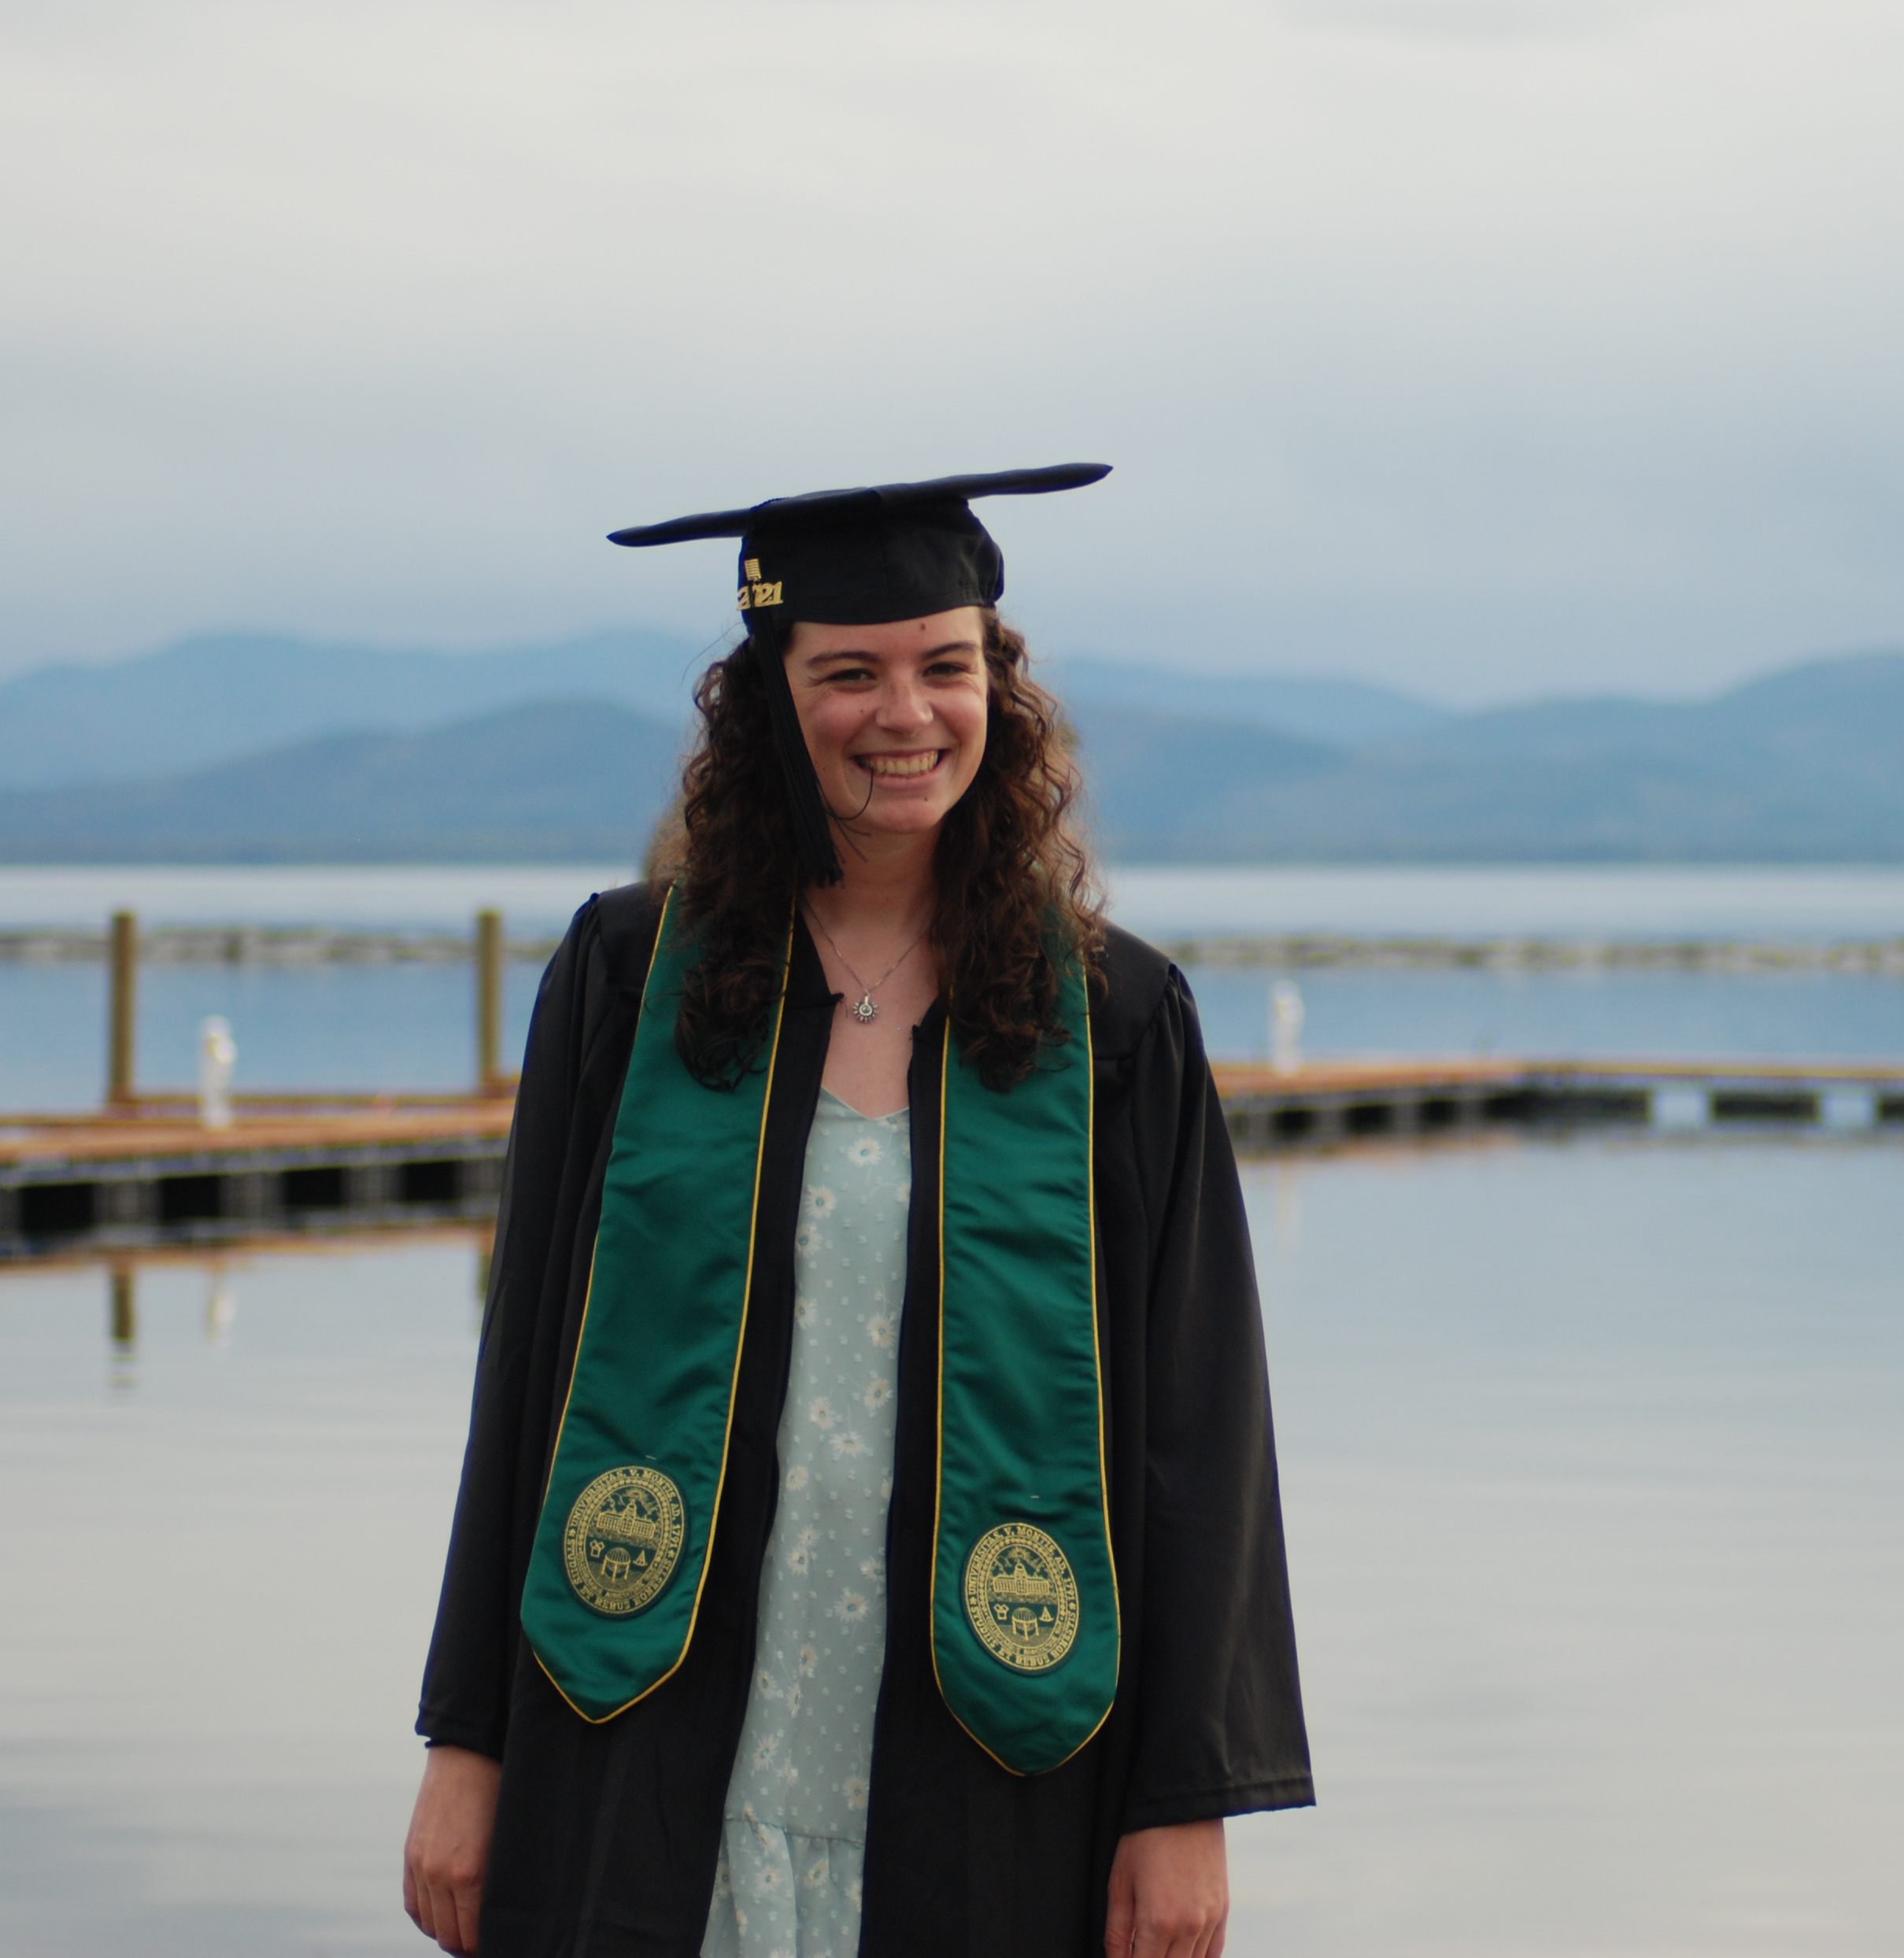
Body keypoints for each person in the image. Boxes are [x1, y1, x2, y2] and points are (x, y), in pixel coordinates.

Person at [401, 468, 1311, 1958]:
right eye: (848, 674)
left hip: (995, 1753)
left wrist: (1187, 1800)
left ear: (996, 692)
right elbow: (529, 1384)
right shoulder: (635, 981)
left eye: (945, 667)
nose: (905, 714)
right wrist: (467, 1739)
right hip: (646, 1723)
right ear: (769, 698)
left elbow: (1201, 1437)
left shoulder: (1113, 1021)